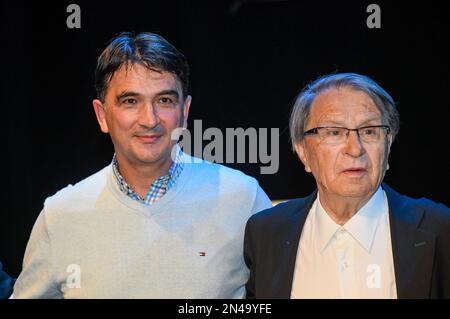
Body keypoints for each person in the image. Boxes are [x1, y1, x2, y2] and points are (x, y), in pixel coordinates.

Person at [13, 32, 272, 298]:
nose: (150, 119)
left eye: (164, 100)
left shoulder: (243, 198)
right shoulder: (61, 216)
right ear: (102, 116)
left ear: (184, 112)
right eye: (130, 101)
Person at [244, 73, 450, 299]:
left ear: (388, 144)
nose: (355, 149)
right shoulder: (266, 234)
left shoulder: (439, 229)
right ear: (303, 151)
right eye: (334, 132)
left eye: (370, 131)